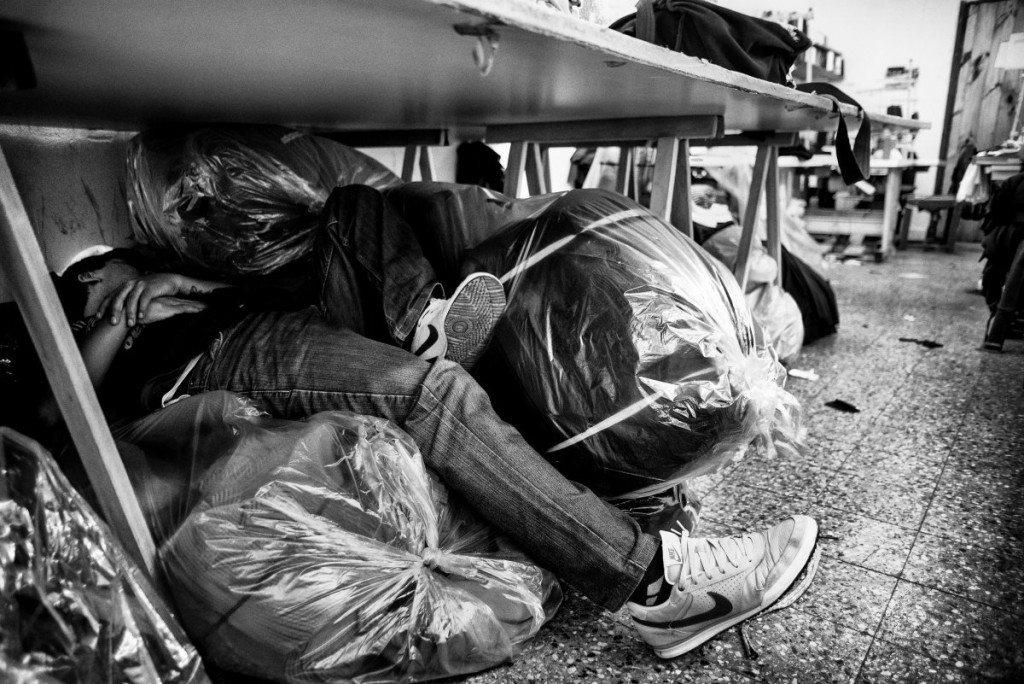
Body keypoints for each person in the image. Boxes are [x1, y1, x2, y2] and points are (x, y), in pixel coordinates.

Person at [54, 184, 819, 659]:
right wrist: (115, 317)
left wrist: (180, 278)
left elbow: (213, 273)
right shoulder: (60, 320)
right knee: (436, 396)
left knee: (353, 208)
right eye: (87, 275)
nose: (102, 270)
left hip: (256, 315)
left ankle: (424, 318)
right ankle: (650, 582)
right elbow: (64, 414)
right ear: (69, 291)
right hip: (218, 359)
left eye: (106, 263)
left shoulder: (149, 270)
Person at [980, 169, 1024, 351]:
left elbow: (995, 211)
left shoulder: (1014, 182)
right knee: (994, 271)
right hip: (1011, 235)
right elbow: (996, 212)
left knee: (994, 272)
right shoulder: (1014, 182)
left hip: (1010, 234)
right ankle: (1001, 315)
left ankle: (1000, 317)